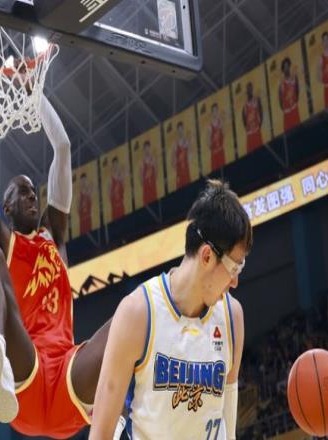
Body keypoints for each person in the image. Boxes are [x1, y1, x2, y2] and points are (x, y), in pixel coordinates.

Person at [0, 34, 121, 439]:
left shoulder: (55, 237)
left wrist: (35, 92)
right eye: (22, 192)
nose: (33, 196)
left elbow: (62, 147)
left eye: (34, 191)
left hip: (67, 376)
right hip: (23, 372)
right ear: (7, 207)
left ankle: (125, 410)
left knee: (132, 315)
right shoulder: (4, 239)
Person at [89, 179, 252, 439]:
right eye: (234, 268)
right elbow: (100, 433)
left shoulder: (233, 317)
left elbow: (228, 426)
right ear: (207, 256)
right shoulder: (137, 313)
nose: (235, 282)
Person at [278, 57, 300, 132]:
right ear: (283, 70)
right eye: (285, 67)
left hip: (294, 109)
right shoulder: (281, 84)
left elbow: (297, 90)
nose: (286, 68)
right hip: (287, 113)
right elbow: (280, 101)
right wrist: (285, 107)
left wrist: (295, 100)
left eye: (287, 66)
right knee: (288, 131)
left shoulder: (294, 77)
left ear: (289, 66)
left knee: (298, 129)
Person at [242, 82, 263, 152]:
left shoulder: (257, 99)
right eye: (248, 89)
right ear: (247, 91)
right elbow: (243, 117)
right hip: (250, 133)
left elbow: (261, 111)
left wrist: (260, 123)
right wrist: (246, 127)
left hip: (256, 130)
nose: (250, 90)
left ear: (252, 89)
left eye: (251, 88)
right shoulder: (245, 105)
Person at [172, 121, 192, 189]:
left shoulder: (187, 143)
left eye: (181, 129)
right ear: (177, 131)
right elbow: (173, 162)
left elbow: (190, 157)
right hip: (179, 172)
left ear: (183, 130)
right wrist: (177, 168)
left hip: (186, 171)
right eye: (179, 130)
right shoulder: (175, 145)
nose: (180, 131)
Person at [139, 140, 158, 205]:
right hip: (146, 188)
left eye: (148, 148)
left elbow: (156, 171)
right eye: (146, 149)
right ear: (144, 150)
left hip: (152, 186)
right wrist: (145, 185)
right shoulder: (142, 162)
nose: (147, 150)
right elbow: (141, 176)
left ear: (150, 148)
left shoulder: (153, 159)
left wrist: (153, 181)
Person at [208, 103, 225, 171]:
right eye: (214, 111)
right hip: (214, 154)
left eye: (216, 111)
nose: (215, 113)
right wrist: (213, 144)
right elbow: (209, 144)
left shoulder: (221, 122)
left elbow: (223, 135)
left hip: (221, 151)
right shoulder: (210, 127)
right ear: (212, 113)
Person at [109, 156, 125, 221]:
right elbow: (110, 194)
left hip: (121, 202)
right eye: (114, 165)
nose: (115, 166)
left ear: (118, 165)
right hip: (114, 204)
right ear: (113, 166)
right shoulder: (111, 179)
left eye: (116, 164)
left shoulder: (122, 175)